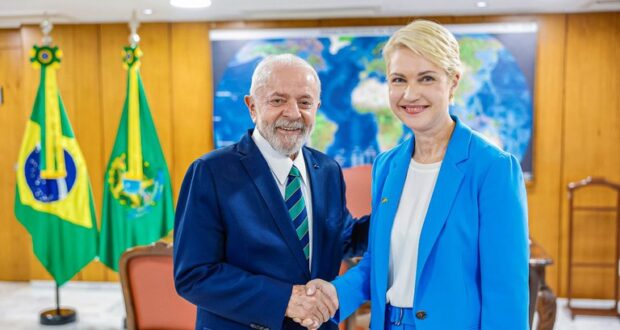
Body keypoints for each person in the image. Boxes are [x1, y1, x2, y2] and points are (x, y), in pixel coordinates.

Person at [306, 20, 529, 330]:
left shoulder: (493, 168)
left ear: (453, 82)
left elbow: (505, 292)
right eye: (398, 80)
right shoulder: (387, 165)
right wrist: (333, 294)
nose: (410, 94)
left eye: (426, 78)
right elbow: (378, 264)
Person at [173, 54, 369, 330]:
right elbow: (193, 276)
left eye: (305, 102)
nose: (292, 113)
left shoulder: (327, 170)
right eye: (278, 100)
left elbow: (342, 238)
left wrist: (403, 211)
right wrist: (285, 299)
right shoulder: (210, 172)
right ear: (252, 106)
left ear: (317, 107)